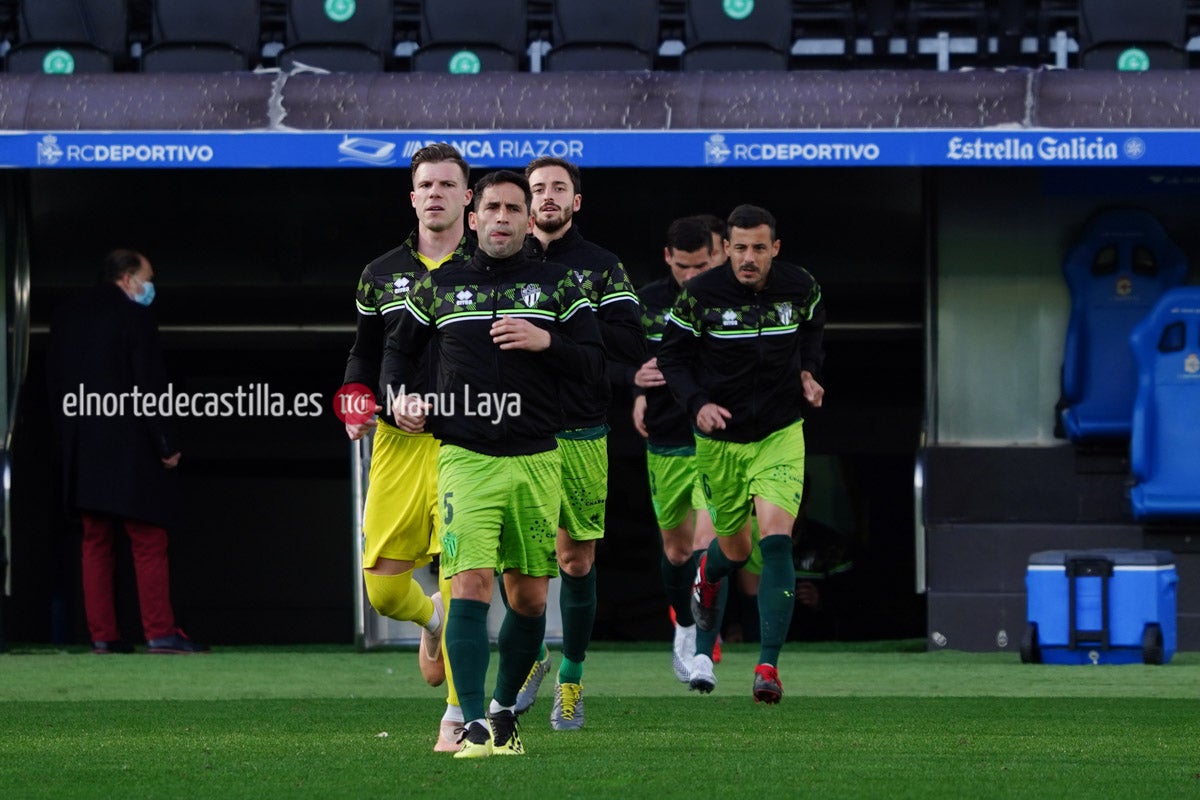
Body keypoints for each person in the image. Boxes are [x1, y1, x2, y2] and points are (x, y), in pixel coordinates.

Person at [385, 170, 604, 758]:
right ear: (474, 218)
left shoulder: (560, 286)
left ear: (529, 218)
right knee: (471, 582)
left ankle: (506, 709)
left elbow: (597, 364)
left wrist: (547, 343)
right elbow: (397, 353)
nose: (503, 216)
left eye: (515, 207)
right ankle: (473, 721)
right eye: (493, 207)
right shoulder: (439, 287)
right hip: (465, 458)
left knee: (530, 599)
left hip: (537, 458)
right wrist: (399, 397)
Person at [657, 204, 826, 704]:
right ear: (725, 248)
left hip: (779, 432)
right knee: (734, 550)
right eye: (739, 248)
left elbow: (814, 327)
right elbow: (672, 356)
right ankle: (707, 576)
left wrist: (810, 371)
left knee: (775, 541)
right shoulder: (700, 297)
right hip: (720, 442)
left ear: (775, 248)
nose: (748, 258)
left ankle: (768, 666)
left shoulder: (801, 287)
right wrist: (698, 403)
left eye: (759, 248)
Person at [343, 142, 475, 753]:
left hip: (470, 438)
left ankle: (457, 714)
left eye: (449, 185)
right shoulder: (380, 272)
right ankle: (432, 621)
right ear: (413, 195)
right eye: (427, 185)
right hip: (396, 442)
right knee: (382, 589)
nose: (437, 194)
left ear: (467, 197)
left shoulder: (494, 266)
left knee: (463, 571)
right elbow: (366, 352)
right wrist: (353, 394)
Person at [515, 156, 645, 730]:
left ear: (576, 202)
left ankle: (571, 677)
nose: (546, 197)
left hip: (582, 430)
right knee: (522, 565)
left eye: (557, 189)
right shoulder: (497, 263)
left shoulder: (601, 267)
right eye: (536, 188)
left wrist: (554, 341)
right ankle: (530, 658)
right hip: (517, 429)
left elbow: (626, 349)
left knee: (575, 557)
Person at [46, 249, 209, 655]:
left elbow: (52, 385)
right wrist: (167, 444)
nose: (151, 287)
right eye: (148, 278)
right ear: (127, 278)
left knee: (94, 540)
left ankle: (103, 636)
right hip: (131, 446)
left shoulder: (65, 319)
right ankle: (160, 633)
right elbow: (149, 385)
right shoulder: (134, 317)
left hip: (81, 446)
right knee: (149, 538)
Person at [632, 216, 721, 689]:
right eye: (684, 266)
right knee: (678, 549)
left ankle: (702, 646)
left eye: (702, 265)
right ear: (669, 258)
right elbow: (623, 357)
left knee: (710, 545)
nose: (693, 275)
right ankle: (685, 626)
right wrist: (635, 387)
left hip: (719, 441)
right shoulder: (647, 304)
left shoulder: (734, 298)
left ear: (722, 254)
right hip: (666, 440)